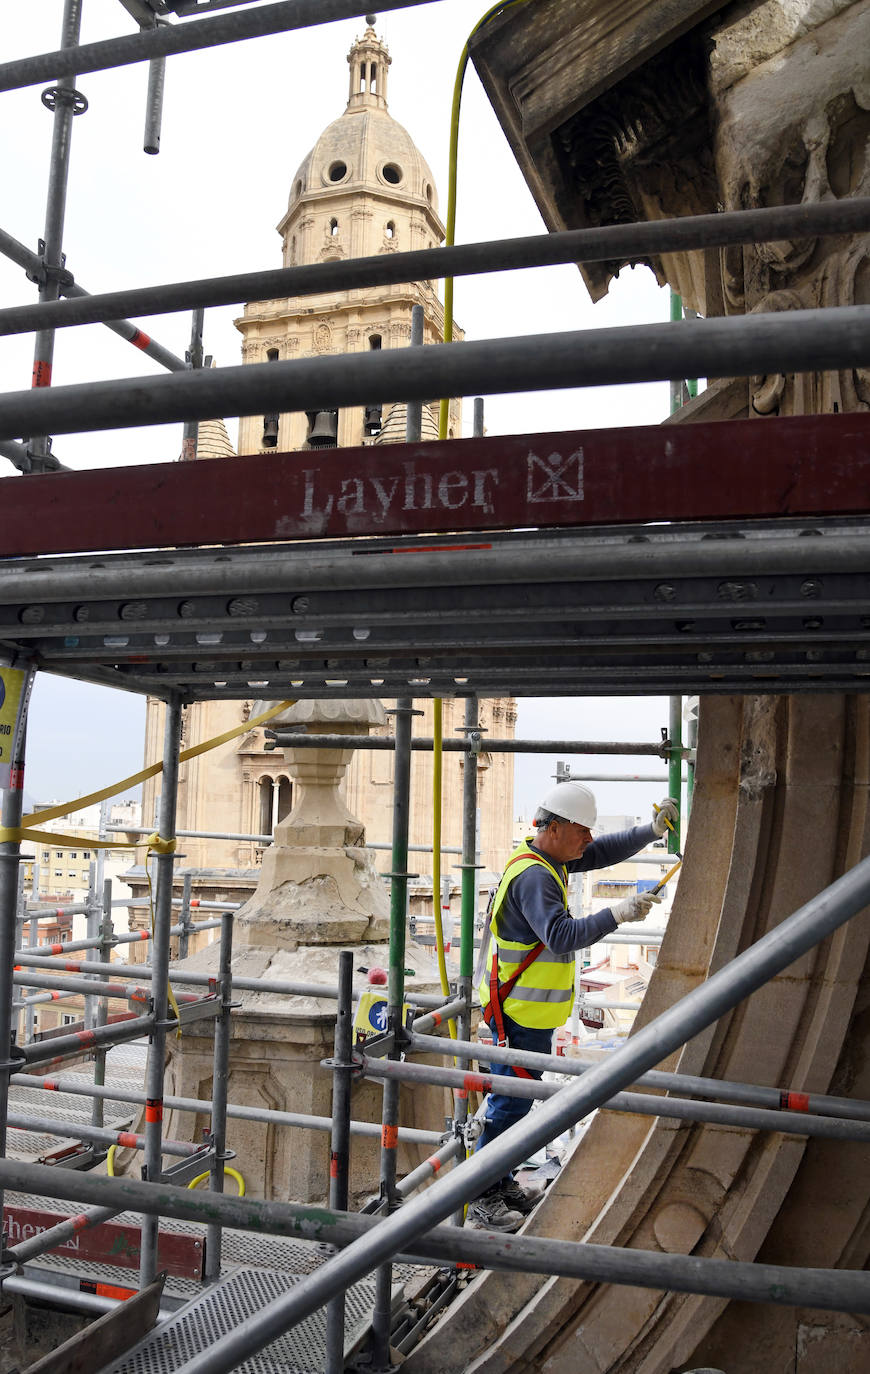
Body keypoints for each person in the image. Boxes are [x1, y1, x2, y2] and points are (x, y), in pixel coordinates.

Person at [468, 780, 679, 1232]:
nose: (587, 840)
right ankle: (482, 1196)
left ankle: (497, 1181)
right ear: (558, 827)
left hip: (526, 1010)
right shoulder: (535, 877)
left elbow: (600, 853)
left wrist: (649, 831)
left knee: (515, 1101)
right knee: (510, 1103)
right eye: (582, 831)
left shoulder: (548, 859)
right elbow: (561, 936)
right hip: (516, 1012)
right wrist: (618, 913)